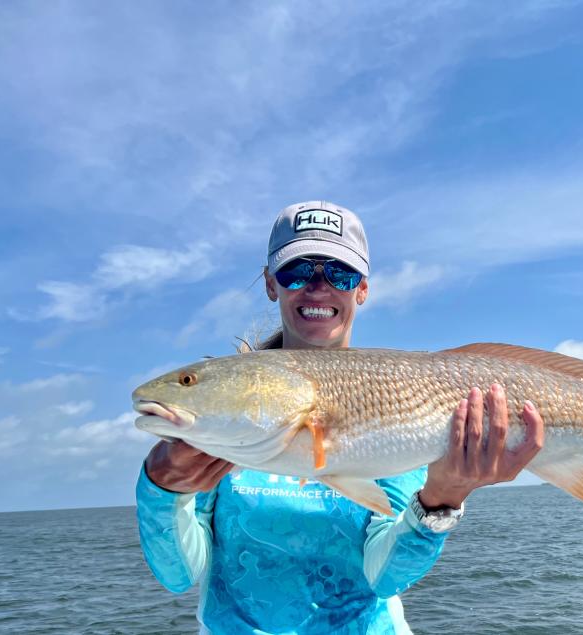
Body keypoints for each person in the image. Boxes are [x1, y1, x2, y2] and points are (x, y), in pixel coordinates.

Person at [135, 200, 545, 634]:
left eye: (340, 273)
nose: (317, 288)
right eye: (296, 272)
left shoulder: (391, 394)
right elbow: (177, 575)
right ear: (272, 284)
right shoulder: (212, 433)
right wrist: (162, 489)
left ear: (362, 289)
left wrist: (443, 497)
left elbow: (383, 578)